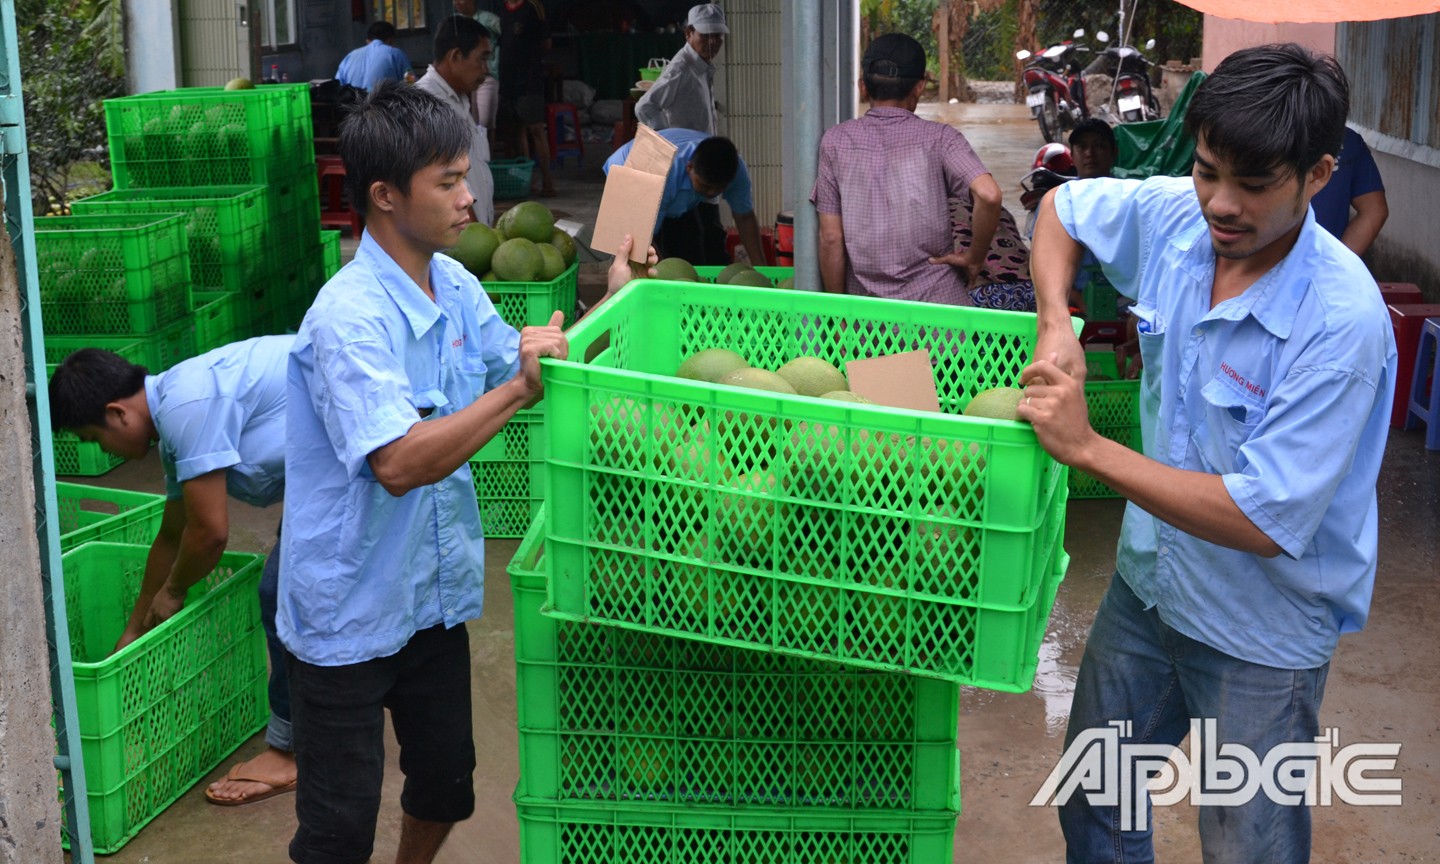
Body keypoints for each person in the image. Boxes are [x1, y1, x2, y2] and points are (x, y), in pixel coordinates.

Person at [1018, 43, 1395, 862]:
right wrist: (1057, 320)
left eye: (1253, 186)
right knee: (1095, 798)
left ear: (1318, 175)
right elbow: (1061, 212)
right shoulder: (1180, 221)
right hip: (1151, 585)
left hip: (1260, 627)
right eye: (1206, 171)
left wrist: (1088, 449)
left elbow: (1263, 514)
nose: (1220, 204)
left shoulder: (1340, 326)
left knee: (1247, 844)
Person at [277, 82, 647, 864]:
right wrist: (516, 386)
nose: (469, 198)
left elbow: (528, 360)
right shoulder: (349, 319)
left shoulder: (453, 283)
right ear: (384, 197)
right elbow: (400, 463)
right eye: (446, 182)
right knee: (337, 826)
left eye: (463, 175)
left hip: (428, 594)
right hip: (348, 608)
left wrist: (613, 302)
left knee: (446, 783)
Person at [48, 337, 300, 808]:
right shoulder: (173, 415)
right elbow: (172, 535)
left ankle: (289, 751)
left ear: (117, 413)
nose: (101, 450)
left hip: (366, 454)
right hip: (328, 466)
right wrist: (133, 630)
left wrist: (175, 591)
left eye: (93, 438)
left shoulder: (187, 404)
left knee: (281, 592)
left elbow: (209, 534)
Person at [811, 32, 1002, 303]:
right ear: (919, 87)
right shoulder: (942, 138)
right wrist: (975, 256)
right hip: (938, 318)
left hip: (868, 321)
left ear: (862, 86)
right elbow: (989, 195)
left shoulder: (835, 141)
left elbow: (830, 237)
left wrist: (841, 316)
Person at [603, 129, 766, 266]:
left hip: (672, 182)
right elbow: (643, 239)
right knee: (632, 256)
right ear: (689, 168)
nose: (711, 194)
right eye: (705, 187)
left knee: (691, 249)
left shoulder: (736, 171)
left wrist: (762, 270)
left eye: (718, 189)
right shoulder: (661, 176)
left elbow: (745, 218)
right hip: (630, 173)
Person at [415, 15, 495, 227]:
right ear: (456, 56)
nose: (485, 70)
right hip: (463, 239)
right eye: (481, 59)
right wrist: (476, 232)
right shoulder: (427, 103)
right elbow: (450, 181)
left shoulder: (460, 99)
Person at [634, 3, 727, 137]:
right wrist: (669, 141)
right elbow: (645, 107)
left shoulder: (703, 67)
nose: (713, 42)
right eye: (705, 35)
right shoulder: (681, 69)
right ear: (688, 33)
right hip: (686, 154)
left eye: (718, 35)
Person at [498, 0, 554, 197]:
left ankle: (548, 182)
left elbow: (546, 42)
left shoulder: (533, 7)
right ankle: (528, 181)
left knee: (536, 129)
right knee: (518, 130)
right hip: (507, 79)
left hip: (529, 79)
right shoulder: (503, 9)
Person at [1310, 125, 1388, 256]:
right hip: (1324, 266)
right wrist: (1338, 265)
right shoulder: (1348, 140)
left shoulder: (1271, 136)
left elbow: (1374, 211)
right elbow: (1374, 210)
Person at [452, 0, 502, 142]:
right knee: (474, 122)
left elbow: (509, 40)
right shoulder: (456, 22)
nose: (457, 3)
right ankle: (479, 159)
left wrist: (493, 59)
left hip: (487, 75)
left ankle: (488, 160)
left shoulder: (489, 19)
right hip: (466, 77)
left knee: (485, 123)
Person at [335, 21, 414, 92]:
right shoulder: (396, 54)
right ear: (391, 40)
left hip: (352, 105)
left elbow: (337, 85)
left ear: (368, 41)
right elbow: (410, 83)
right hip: (382, 105)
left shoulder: (350, 56)